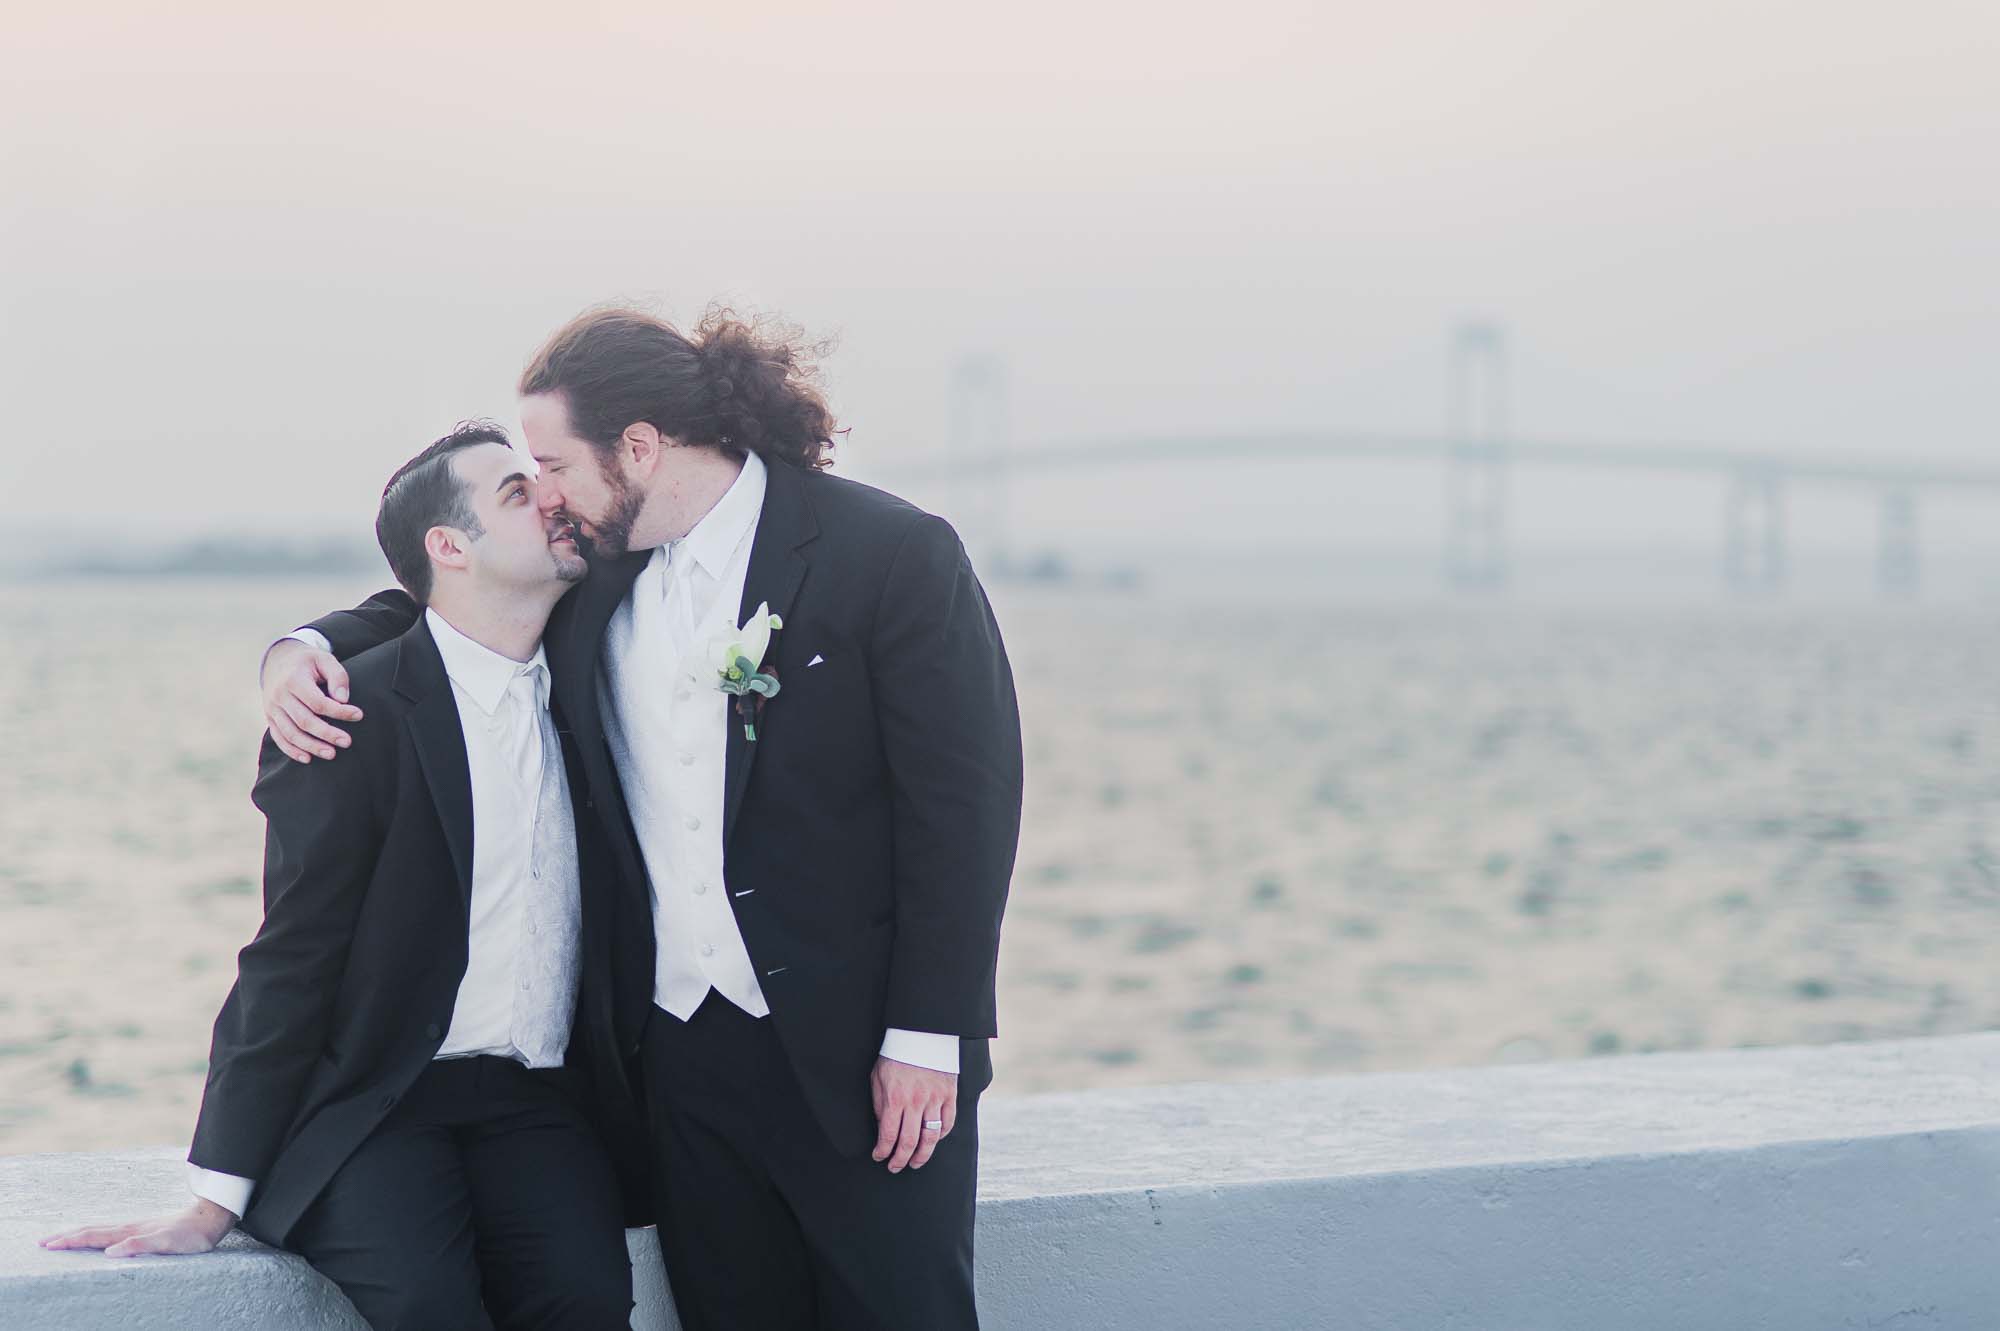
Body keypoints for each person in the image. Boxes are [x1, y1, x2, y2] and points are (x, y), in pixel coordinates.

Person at [258, 306, 1024, 1329]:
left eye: (552, 466)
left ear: (640, 447)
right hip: (679, 1063)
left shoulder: (888, 553)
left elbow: (964, 810)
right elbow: (439, 600)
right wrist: (299, 645)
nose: (545, 499)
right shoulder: (596, 571)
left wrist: (928, 1032)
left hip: (865, 1060)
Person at [42, 423, 639, 1331]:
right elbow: (292, 953)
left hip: (538, 1095)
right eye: (516, 493)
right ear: (450, 547)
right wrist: (214, 1196)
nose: (551, 497)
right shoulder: (350, 719)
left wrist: (295, 638)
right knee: (429, 1307)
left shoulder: (587, 657)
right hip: (378, 1100)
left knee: (588, 1299)